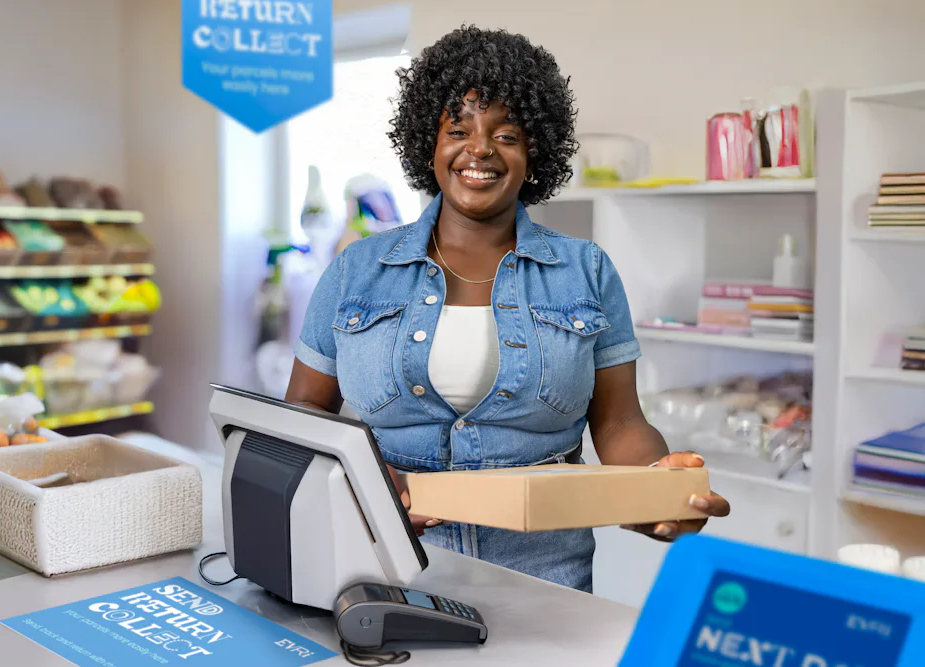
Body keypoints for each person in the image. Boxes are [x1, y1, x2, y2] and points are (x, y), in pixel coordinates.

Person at [285, 25, 729, 593]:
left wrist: (654, 486)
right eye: (458, 129)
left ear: (533, 151)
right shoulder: (356, 270)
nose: (480, 149)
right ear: (430, 144)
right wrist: (361, 479)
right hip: (381, 556)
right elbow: (302, 411)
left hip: (544, 570)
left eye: (507, 134)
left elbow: (619, 421)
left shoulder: (585, 270)